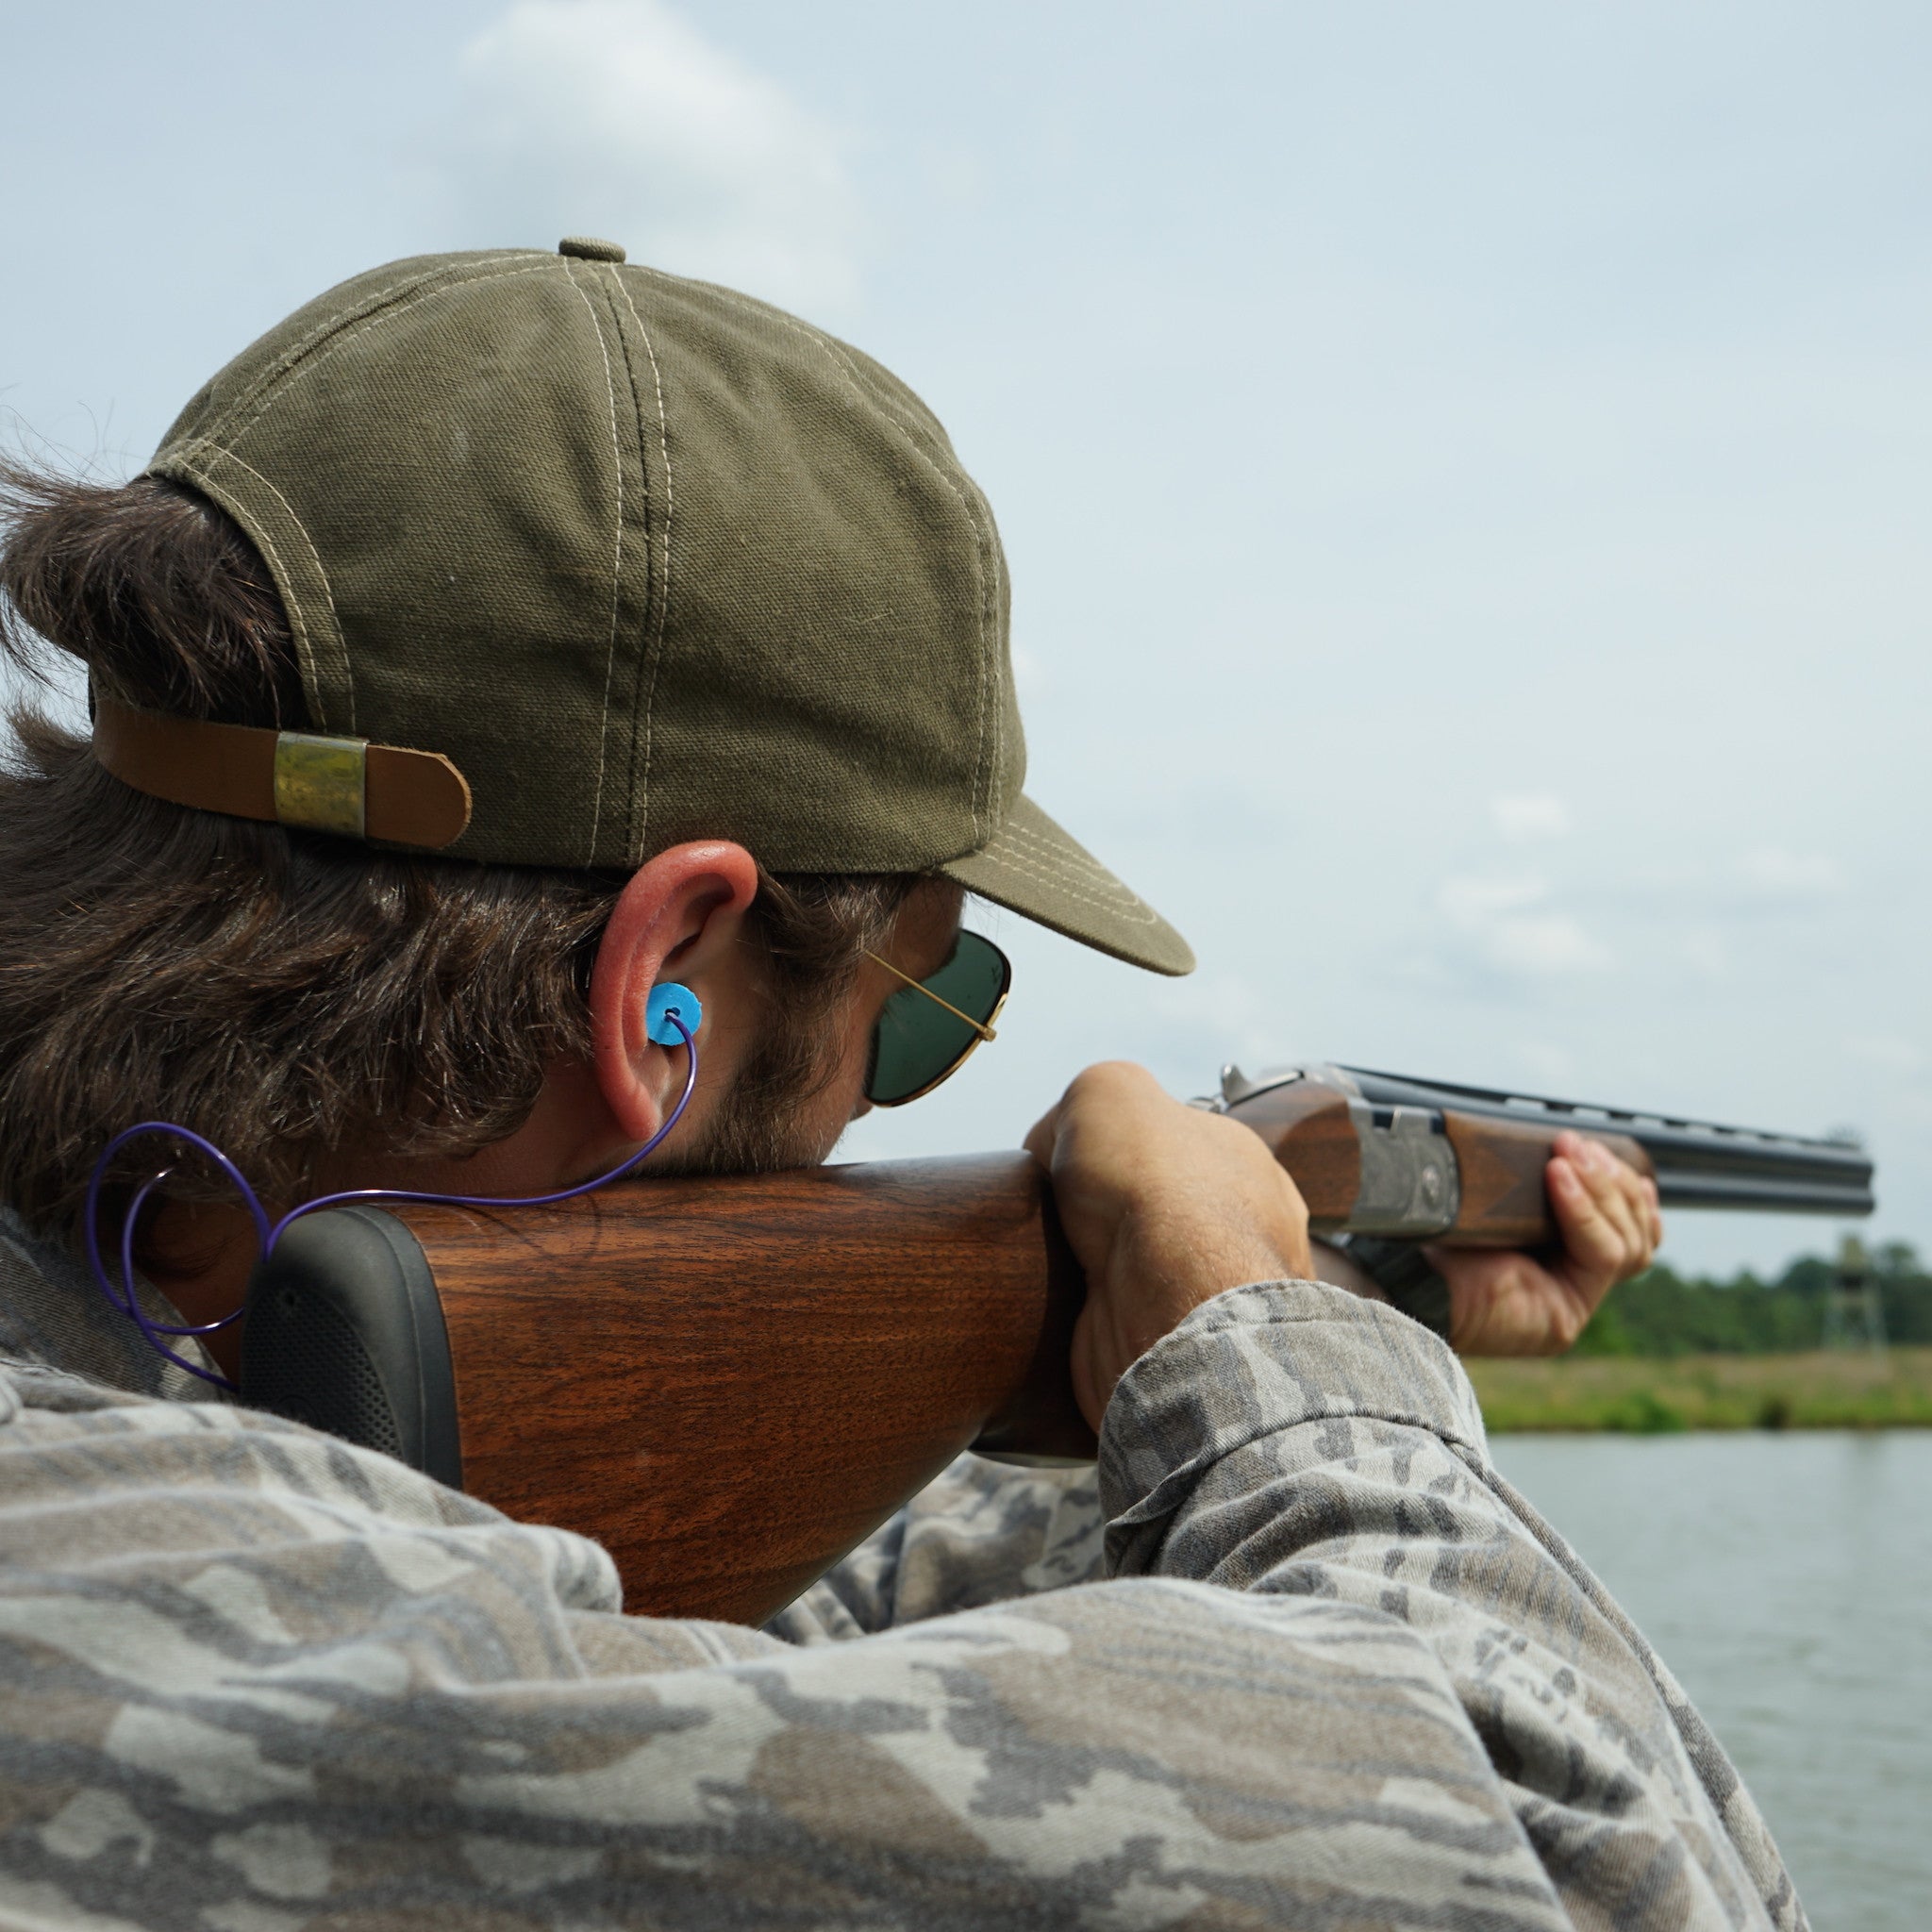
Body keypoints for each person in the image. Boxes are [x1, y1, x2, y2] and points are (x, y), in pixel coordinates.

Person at [0, 241, 1799, 1930]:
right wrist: (1313, 1384)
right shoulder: (142, 1603)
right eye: (929, 1006)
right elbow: (1579, 1867)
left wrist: (1312, 1304)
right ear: (659, 993)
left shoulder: (160, 1456)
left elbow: (786, 1621)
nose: (898, 1093)